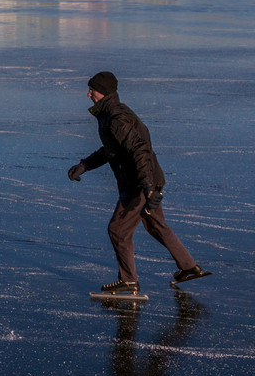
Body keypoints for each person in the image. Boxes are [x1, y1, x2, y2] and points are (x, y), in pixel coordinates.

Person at [68, 71, 206, 294]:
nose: (88, 94)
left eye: (92, 89)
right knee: (155, 224)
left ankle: (128, 280)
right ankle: (189, 266)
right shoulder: (111, 114)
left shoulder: (115, 117)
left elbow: (140, 150)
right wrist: (85, 165)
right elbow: (112, 150)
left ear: (102, 91)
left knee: (118, 230)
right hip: (146, 180)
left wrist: (148, 187)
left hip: (138, 184)